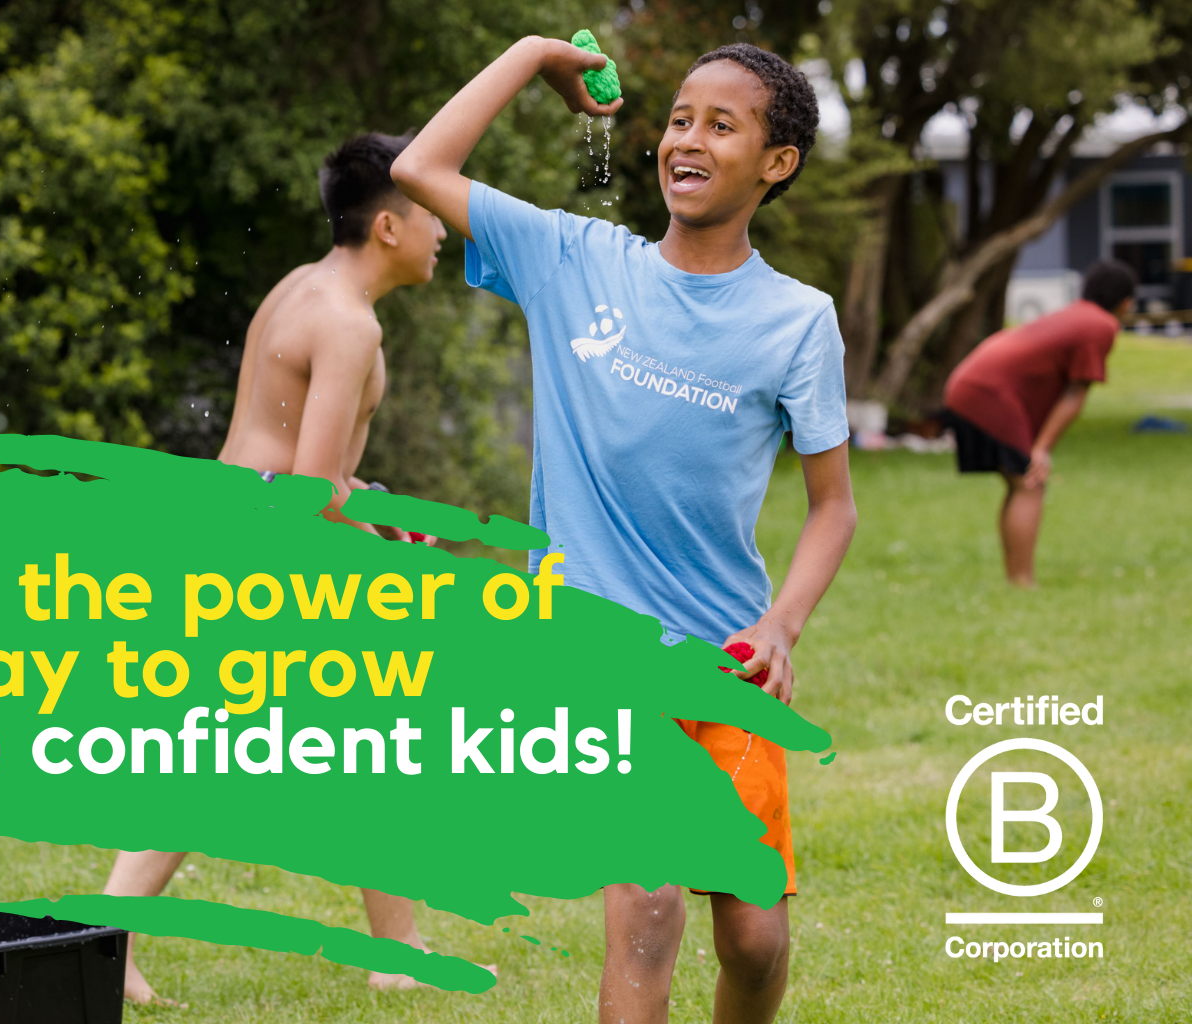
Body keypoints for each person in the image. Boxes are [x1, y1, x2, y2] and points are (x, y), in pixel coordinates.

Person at [392, 38, 857, 1024]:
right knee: (644, 904)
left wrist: (781, 626)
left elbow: (832, 507)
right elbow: (417, 169)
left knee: (754, 937)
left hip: (727, 659)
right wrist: (526, 56)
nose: (686, 140)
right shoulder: (569, 259)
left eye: (719, 126)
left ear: (776, 163)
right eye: (680, 119)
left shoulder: (794, 320)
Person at [104, 132, 450, 1005]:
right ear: (387, 227)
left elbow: (309, 463)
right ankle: (103, 940)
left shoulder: (305, 286)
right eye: (432, 213)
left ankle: (395, 947)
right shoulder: (348, 320)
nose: (446, 227)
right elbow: (306, 488)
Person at [942, 259, 1135, 587]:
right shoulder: (1100, 325)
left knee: (1020, 483)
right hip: (986, 392)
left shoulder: (1076, 315)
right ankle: (1022, 582)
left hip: (968, 384)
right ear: (1126, 302)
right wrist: (1042, 449)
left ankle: (1015, 578)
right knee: (1030, 483)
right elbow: (1074, 395)